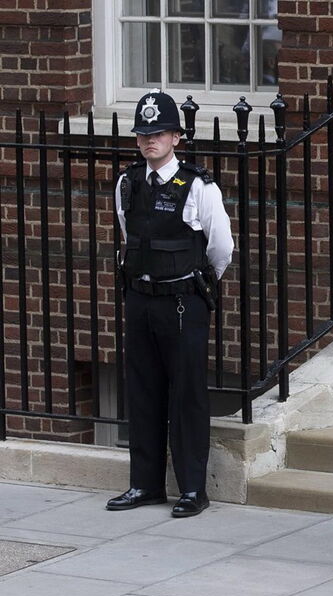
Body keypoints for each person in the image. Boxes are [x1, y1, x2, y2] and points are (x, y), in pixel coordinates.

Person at [106, 90, 234, 518]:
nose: (149, 141)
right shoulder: (127, 183)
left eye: (158, 133)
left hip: (182, 301)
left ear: (177, 136)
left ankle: (192, 489)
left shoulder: (198, 186)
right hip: (140, 298)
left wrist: (198, 284)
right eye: (143, 134)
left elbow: (221, 248)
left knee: (187, 396)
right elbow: (129, 236)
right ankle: (144, 484)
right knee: (142, 392)